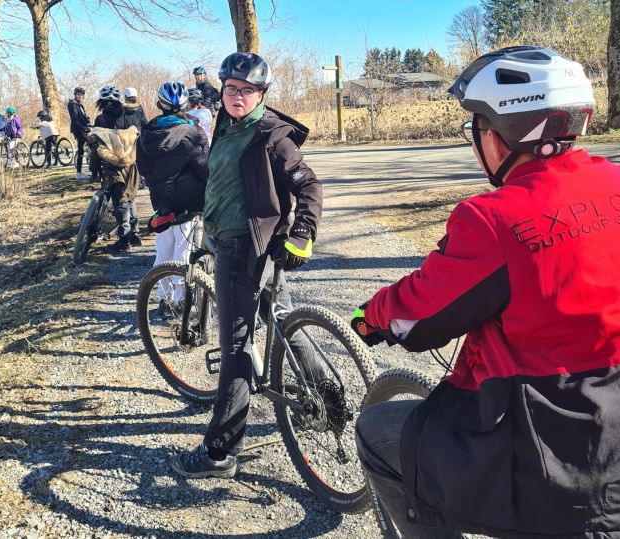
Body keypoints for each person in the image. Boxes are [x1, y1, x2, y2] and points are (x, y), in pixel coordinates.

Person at [352, 46, 620, 538]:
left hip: (555, 457)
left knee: (376, 435)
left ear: (500, 137)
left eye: (476, 125)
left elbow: (418, 318)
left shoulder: (494, 218)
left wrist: (370, 316)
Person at [170, 52, 323, 479]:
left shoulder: (271, 134)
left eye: (248, 90)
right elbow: (213, 179)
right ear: (222, 89)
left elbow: (308, 184)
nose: (238, 96)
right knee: (282, 319)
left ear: (262, 94)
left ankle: (219, 452)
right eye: (232, 89)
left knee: (236, 346)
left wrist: (303, 234)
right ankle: (326, 394)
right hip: (227, 239)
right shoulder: (224, 123)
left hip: (245, 248)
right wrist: (174, 208)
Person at [137, 82, 208, 311]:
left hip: (161, 202)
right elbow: (204, 168)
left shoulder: (147, 133)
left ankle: (163, 296)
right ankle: (179, 301)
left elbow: (143, 168)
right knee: (183, 251)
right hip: (187, 201)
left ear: (160, 105)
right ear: (186, 104)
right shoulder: (193, 132)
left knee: (163, 248)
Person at [90, 85, 143, 251]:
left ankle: (124, 238)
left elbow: (96, 148)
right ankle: (134, 233)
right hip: (132, 164)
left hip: (113, 166)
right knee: (130, 197)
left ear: (101, 102)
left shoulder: (100, 120)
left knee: (120, 201)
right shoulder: (128, 115)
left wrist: (94, 170)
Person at [67, 86, 91, 180]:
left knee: (84, 148)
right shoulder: (72, 104)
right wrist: (84, 127)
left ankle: (80, 173)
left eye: (81, 95)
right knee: (82, 149)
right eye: (78, 95)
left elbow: (82, 117)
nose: (80, 96)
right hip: (79, 130)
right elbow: (75, 119)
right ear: (75, 95)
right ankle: (79, 174)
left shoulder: (80, 105)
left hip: (83, 129)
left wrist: (88, 122)